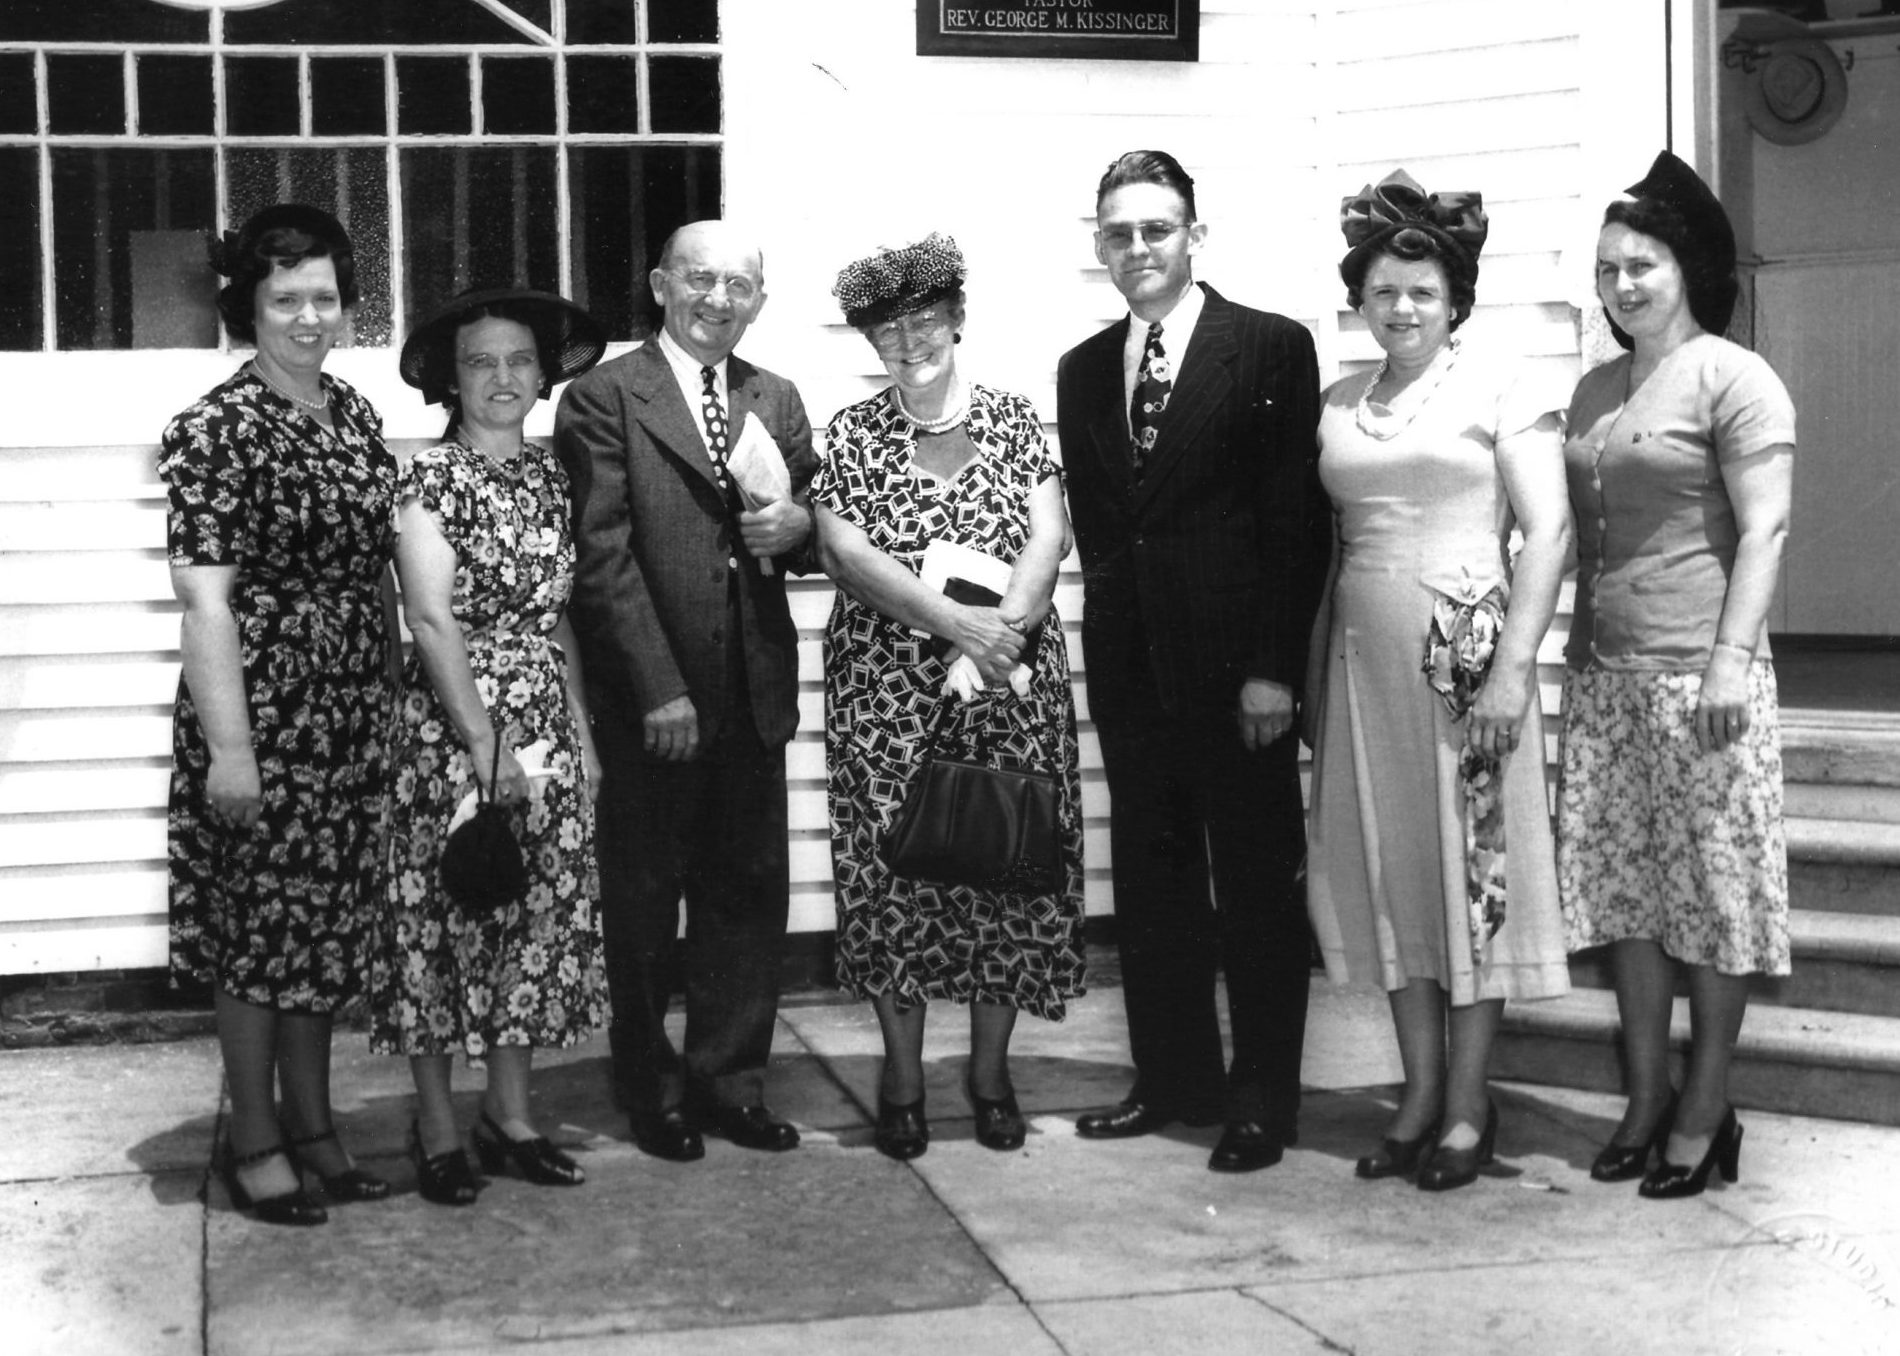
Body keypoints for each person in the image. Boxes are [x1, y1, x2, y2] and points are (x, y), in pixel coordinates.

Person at [1056, 150, 1329, 1173]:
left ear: (1194, 236)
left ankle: (1262, 1097)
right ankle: (1172, 1079)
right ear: (1098, 244)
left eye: (1156, 229)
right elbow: (1101, 525)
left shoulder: (1265, 349)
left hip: (1237, 678)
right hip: (1133, 672)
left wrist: (1272, 671)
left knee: (1256, 889)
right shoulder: (1083, 368)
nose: (1137, 249)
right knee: (1153, 884)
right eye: (1118, 232)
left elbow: (1294, 525)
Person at [1303, 171, 1573, 1191]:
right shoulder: (1337, 404)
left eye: (1420, 289)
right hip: (1362, 671)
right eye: (1381, 291)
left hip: (1468, 669)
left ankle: (1467, 1104)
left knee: (1470, 880)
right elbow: (1323, 555)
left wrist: (1513, 675)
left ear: (1454, 295)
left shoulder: (1503, 384)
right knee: (1393, 877)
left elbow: (1545, 533)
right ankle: (1415, 1093)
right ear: (1359, 300)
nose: (1400, 307)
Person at [814, 234, 1086, 1160]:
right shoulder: (850, 433)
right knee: (896, 877)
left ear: (958, 319)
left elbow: (1047, 538)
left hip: (1010, 682)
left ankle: (990, 1073)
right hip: (887, 694)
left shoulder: (1015, 420)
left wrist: (1000, 639)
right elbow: (847, 555)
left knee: (1001, 873)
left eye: (925, 321)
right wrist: (957, 629)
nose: (909, 342)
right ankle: (900, 1079)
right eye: (888, 331)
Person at [1559, 151, 1795, 1199]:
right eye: (1607, 268)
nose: (1621, 285)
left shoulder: (1735, 377)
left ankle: (1706, 1108)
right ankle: (1645, 1095)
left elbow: (1766, 527)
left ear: (1686, 267)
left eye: (1640, 264)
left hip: (1701, 681)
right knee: (1631, 905)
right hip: (1606, 680)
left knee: (1712, 902)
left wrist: (1729, 666)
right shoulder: (1594, 387)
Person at [555, 221, 818, 1162]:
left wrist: (799, 529)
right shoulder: (603, 397)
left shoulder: (776, 397)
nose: (717, 299)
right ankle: (648, 1083)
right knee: (641, 902)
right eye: (699, 280)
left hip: (752, 695)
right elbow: (603, 555)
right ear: (660, 283)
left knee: (746, 898)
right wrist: (657, 687)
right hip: (653, 704)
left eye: (738, 285)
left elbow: (802, 528)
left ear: (759, 297)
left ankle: (729, 1083)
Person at [160, 204, 396, 1225]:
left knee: (325, 926)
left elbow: (379, 565)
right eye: (285, 299)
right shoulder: (212, 429)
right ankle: (252, 1138)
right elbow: (205, 599)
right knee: (257, 932)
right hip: (259, 712)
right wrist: (233, 751)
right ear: (246, 308)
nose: (309, 317)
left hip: (348, 713)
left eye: (326, 298)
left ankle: (315, 1126)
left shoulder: (351, 412)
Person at [369, 287, 611, 1205]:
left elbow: (558, 624)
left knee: (535, 923)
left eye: (519, 361)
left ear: (544, 375)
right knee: (441, 921)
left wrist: (581, 735)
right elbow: (429, 619)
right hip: (451, 725)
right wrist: (483, 746)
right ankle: (436, 1127)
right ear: (451, 381)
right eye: (481, 363)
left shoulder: (552, 476)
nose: (502, 378)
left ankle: (510, 1116)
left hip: (544, 723)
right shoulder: (429, 480)